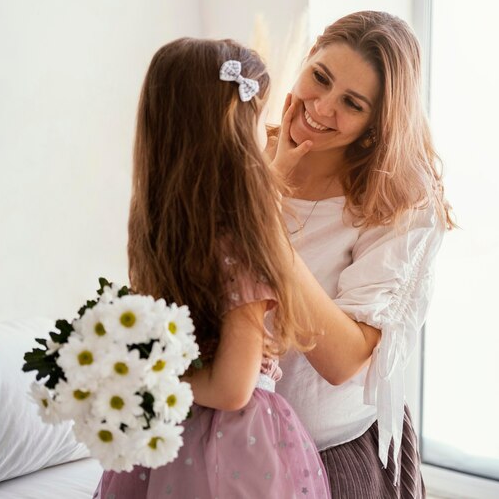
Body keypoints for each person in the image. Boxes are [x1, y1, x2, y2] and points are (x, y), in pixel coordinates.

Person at [93, 38, 331, 499]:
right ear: (234, 135)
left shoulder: (165, 228)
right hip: (234, 445)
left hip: (172, 432)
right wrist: (149, 374)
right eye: (258, 125)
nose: (266, 139)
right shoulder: (241, 242)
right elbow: (232, 389)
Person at [270, 11, 455, 498]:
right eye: (320, 78)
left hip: (329, 454)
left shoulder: (400, 204)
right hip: (224, 435)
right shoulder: (246, 153)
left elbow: (344, 360)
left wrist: (264, 225)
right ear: (307, 59)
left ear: (376, 123)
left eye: (351, 103)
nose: (322, 108)